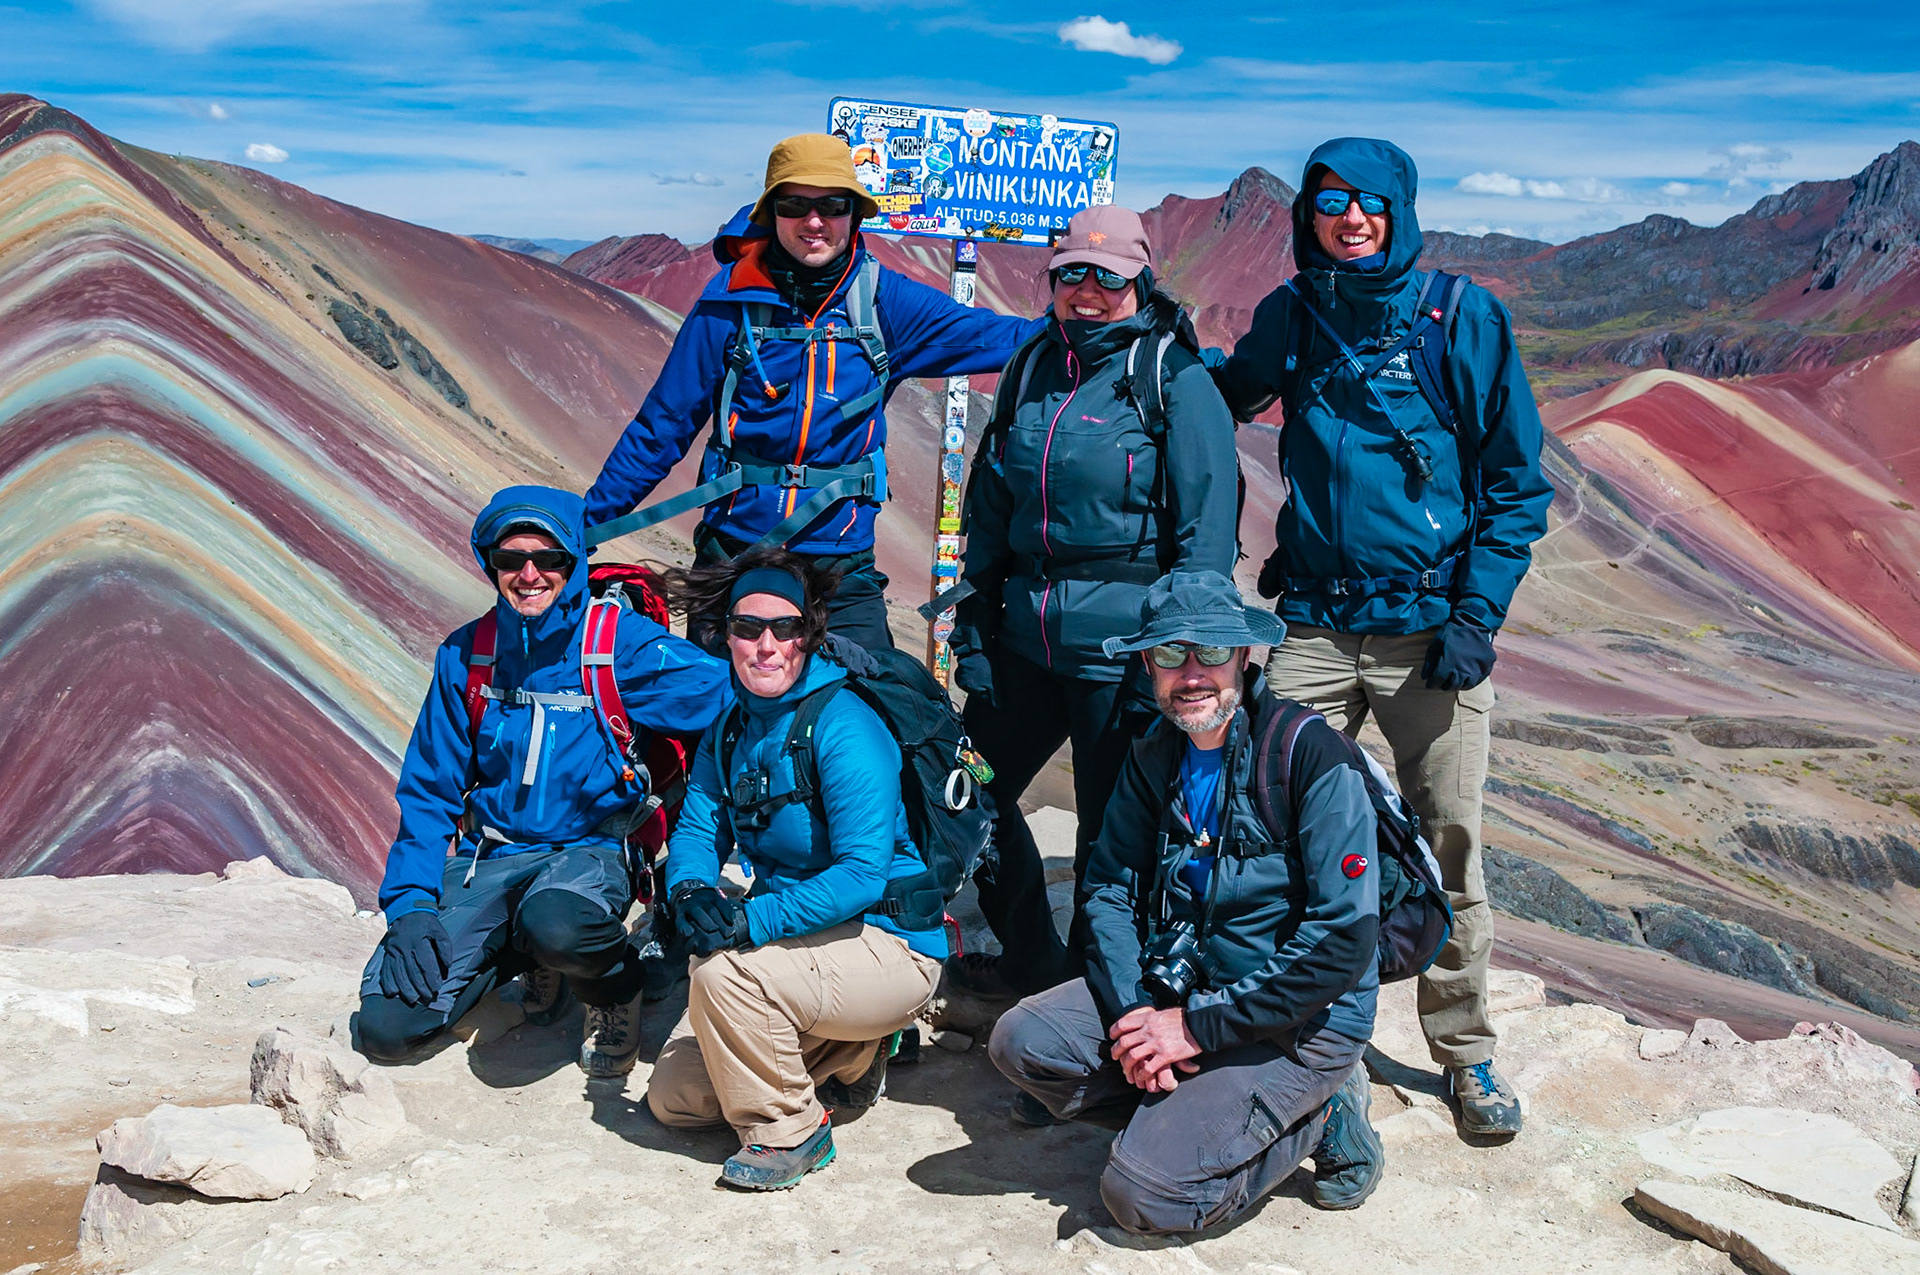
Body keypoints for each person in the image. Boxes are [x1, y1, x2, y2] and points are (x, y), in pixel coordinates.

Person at [1208, 137, 1553, 1138]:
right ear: (1307, 215)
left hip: (1431, 632)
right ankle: (1304, 1033)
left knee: (1448, 842)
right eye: (1330, 202)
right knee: (1274, 826)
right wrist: (1150, 351)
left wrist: (1477, 616)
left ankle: (1466, 1053)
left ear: (1399, 209)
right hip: (1316, 623)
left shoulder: (1462, 316)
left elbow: (1515, 484)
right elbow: (1229, 394)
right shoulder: (1293, 312)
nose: (1350, 218)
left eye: (1369, 201)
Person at [989, 571, 1385, 1235]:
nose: (1192, 672)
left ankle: (1321, 1116)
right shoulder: (1155, 753)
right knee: (1023, 1042)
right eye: (1171, 652)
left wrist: (1195, 1029)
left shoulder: (1308, 754)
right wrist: (1135, 1013)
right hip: (1182, 990)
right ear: (1148, 664)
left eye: (1212, 651)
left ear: (1244, 656)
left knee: (1144, 1197)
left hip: (1300, 1020)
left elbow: (1344, 937)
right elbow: (1108, 887)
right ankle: (1186, 1115)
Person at [584, 133, 1042, 651]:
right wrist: (582, 529)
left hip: (840, 565)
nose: (815, 220)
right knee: (715, 697)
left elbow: (1009, 340)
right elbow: (661, 428)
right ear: (771, 213)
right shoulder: (727, 304)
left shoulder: (886, 303)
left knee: (875, 693)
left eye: (833, 205)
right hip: (734, 552)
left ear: (855, 214)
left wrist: (1090, 301)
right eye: (794, 204)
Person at [945, 205, 1240, 1001]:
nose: (1087, 289)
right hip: (1024, 640)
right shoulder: (1030, 367)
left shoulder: (1174, 378)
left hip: (1126, 654)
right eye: (1071, 271)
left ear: (1138, 279)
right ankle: (1031, 958)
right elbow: (991, 508)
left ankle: (1093, 992)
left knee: (1110, 831)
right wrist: (975, 620)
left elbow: (1206, 541)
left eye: (1107, 276)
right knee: (964, 787)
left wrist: (1180, 661)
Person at [356, 486, 730, 1078]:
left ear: (574, 559)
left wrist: (817, 666)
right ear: (490, 564)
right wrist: (410, 907)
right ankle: (531, 956)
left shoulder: (620, 645)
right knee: (386, 1029)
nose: (529, 574)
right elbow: (430, 790)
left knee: (556, 924)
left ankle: (615, 990)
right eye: (511, 559)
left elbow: (735, 696)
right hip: (491, 856)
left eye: (548, 558)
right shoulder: (467, 655)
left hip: (592, 851)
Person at [644, 547, 944, 1190]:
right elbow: (698, 827)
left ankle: (792, 1132)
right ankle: (856, 1052)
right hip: (800, 949)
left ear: (810, 634)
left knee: (723, 974)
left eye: (786, 628)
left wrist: (746, 921)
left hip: (886, 941)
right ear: (726, 635)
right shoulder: (730, 726)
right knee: (676, 1097)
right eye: (748, 627)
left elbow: (862, 873)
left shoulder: (845, 726)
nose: (767, 646)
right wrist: (690, 889)